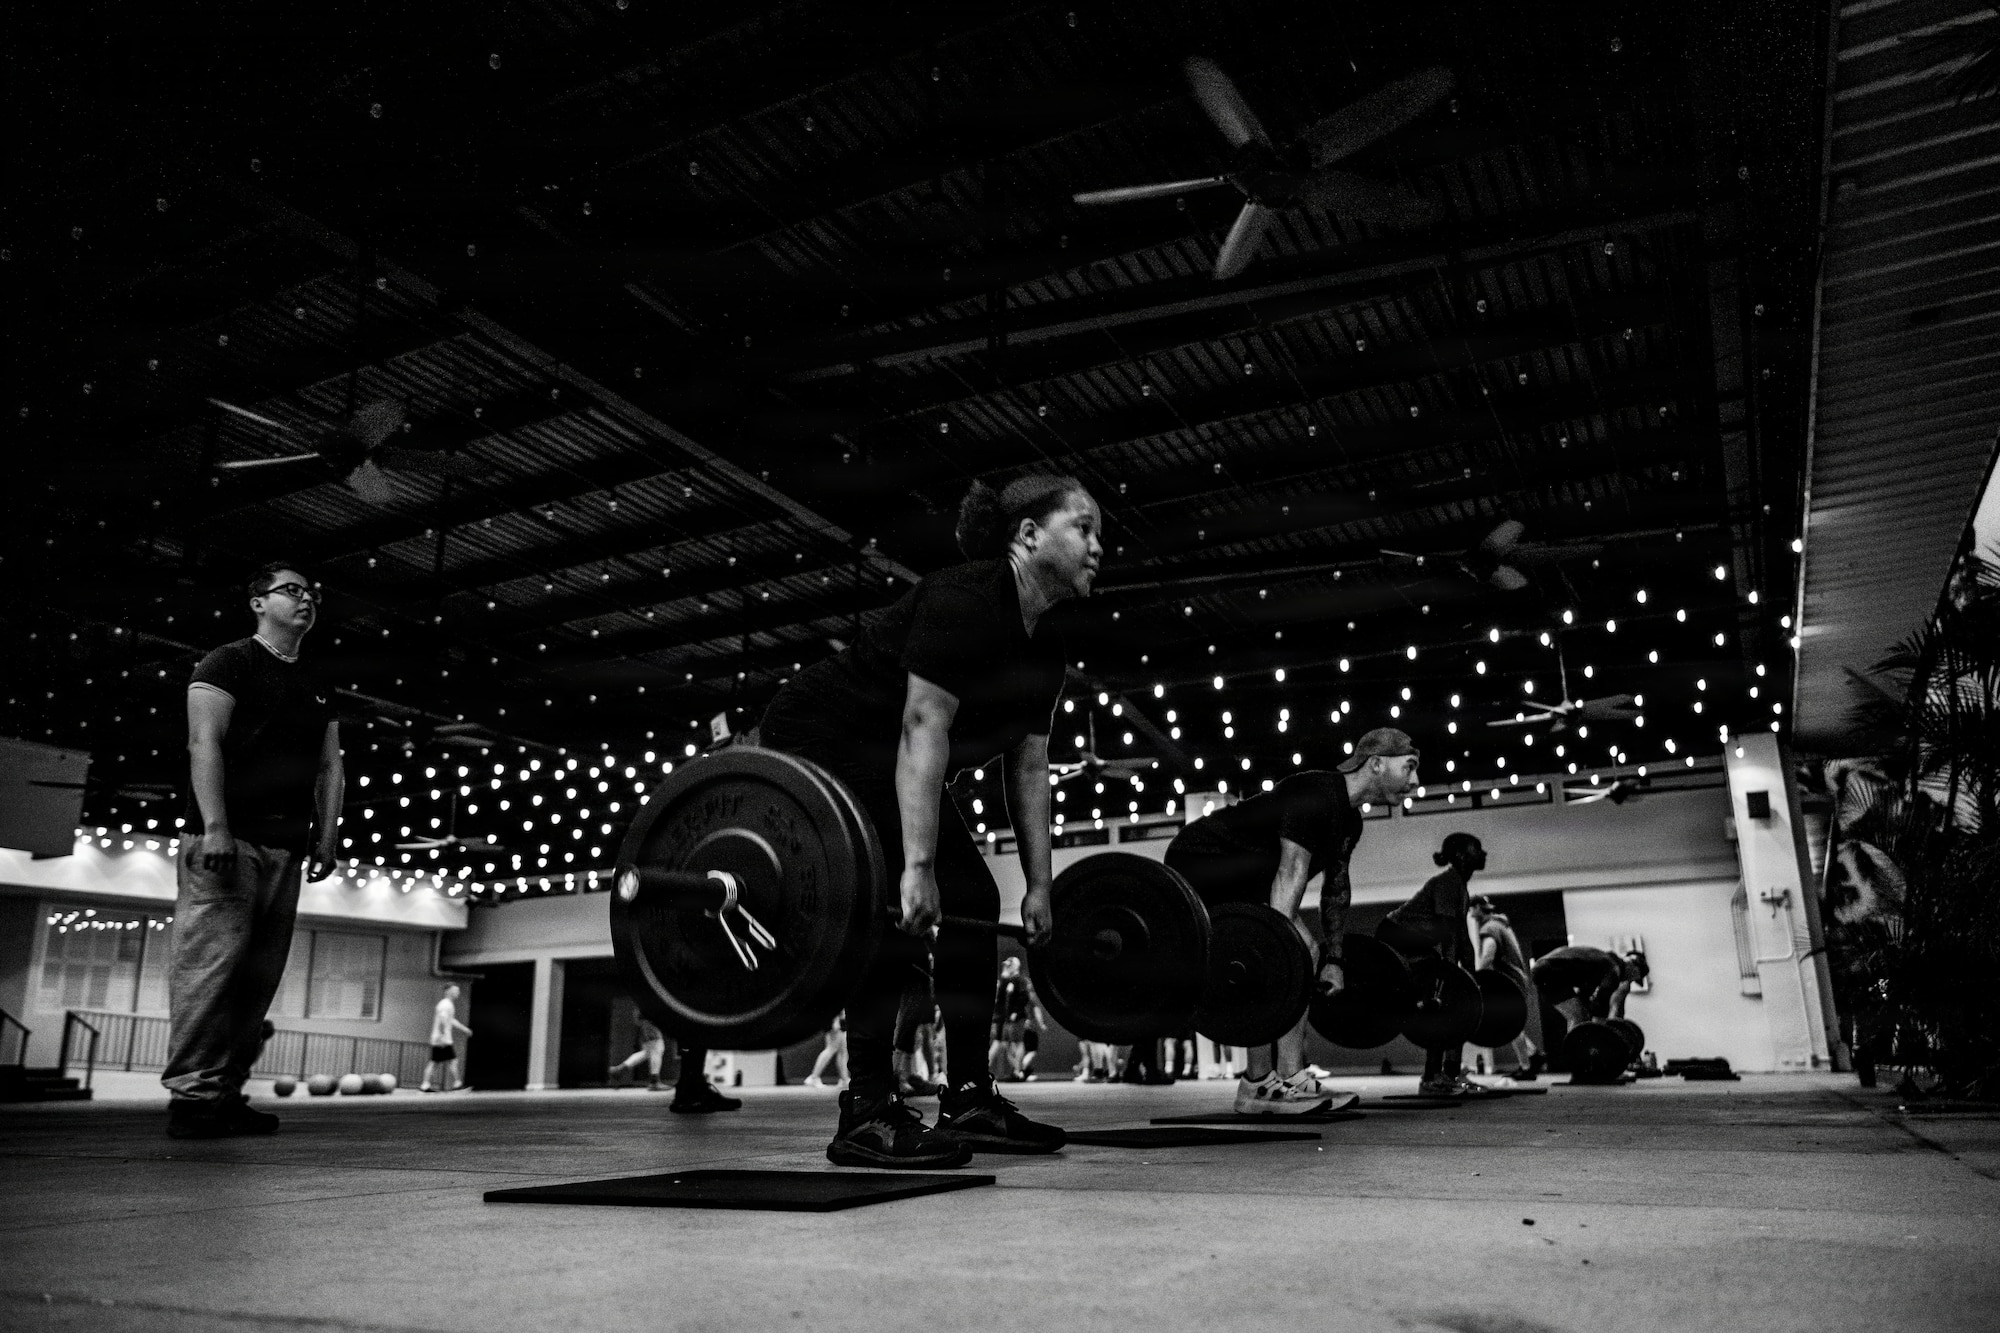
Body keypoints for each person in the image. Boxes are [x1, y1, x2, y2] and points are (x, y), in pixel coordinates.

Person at [760, 473, 1097, 1167]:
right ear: (1029, 535)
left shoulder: (1046, 648)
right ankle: (865, 1109)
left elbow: (1028, 769)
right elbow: (922, 724)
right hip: (828, 733)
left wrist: (1040, 885)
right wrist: (915, 866)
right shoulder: (964, 600)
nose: (1098, 547)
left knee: (972, 897)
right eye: (1084, 528)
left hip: (898, 757)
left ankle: (969, 1097)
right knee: (892, 900)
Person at [163, 563, 343, 1139]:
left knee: (256, 978)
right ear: (258, 602)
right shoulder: (228, 662)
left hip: (285, 848)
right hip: (226, 842)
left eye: (311, 593)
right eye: (291, 590)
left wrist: (327, 836)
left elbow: (330, 767)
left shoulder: (317, 681)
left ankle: (225, 1094)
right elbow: (204, 742)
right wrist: (215, 825)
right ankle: (193, 1099)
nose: (305, 599)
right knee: (209, 971)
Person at [1164, 728, 1421, 1114]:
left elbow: (1336, 889)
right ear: (1376, 764)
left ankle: (1291, 1077)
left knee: (1306, 953)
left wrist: (1334, 959)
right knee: (1272, 957)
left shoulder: (1350, 821)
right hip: (1203, 861)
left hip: (1252, 877)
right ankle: (1257, 1086)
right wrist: (1274, 947)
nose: (1415, 781)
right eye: (1409, 767)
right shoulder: (1315, 794)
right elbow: (1292, 870)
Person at [1380, 832, 1487, 1097]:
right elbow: (1449, 937)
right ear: (1461, 856)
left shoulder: (1460, 886)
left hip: (1419, 945)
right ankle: (1431, 1079)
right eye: (1477, 849)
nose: (1484, 853)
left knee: (1456, 999)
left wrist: (1471, 982)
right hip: (1395, 938)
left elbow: (1463, 938)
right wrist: (1453, 981)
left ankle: (1450, 1075)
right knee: (1442, 1001)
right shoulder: (1448, 883)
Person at [1469, 895, 1544, 1080]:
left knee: (1510, 1023)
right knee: (1509, 1022)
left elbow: (1488, 955)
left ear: (1477, 907)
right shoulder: (1500, 925)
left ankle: (1527, 1066)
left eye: (1470, 909)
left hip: (1509, 981)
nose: (1469, 913)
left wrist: (1477, 978)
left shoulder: (1489, 928)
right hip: (1516, 978)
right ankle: (1533, 1055)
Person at [1532, 945, 1649, 1029]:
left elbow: (1585, 997)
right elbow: (1600, 1011)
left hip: (1542, 967)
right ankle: (1575, 1054)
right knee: (1578, 1016)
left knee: (1580, 1014)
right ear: (1633, 968)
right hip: (1550, 971)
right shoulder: (1614, 970)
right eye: (1634, 977)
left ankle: (1575, 1050)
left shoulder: (1603, 960)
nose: (1629, 981)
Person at [988, 956, 1045, 1082]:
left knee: (1016, 1043)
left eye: (1009, 965)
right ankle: (1019, 1070)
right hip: (1007, 1019)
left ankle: (1018, 1071)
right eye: (1006, 965)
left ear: (1015, 966)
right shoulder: (1008, 981)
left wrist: (1016, 1012)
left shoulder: (1021, 980)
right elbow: (1002, 998)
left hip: (1017, 1018)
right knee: (1007, 1044)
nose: (1007, 967)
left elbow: (1026, 998)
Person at [424, 984, 474, 1092]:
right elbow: (443, 1019)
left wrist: (464, 1029)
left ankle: (426, 1085)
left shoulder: (447, 1004)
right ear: (448, 991)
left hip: (441, 1038)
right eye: (455, 990)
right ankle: (457, 1084)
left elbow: (450, 1020)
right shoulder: (445, 1004)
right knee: (449, 1061)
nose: (458, 993)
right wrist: (442, 1036)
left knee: (438, 1062)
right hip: (442, 1039)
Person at [609, 1014, 667, 1091]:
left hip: (645, 1020)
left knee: (648, 1052)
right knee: (656, 1047)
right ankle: (654, 1082)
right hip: (649, 1020)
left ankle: (620, 1069)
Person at [804, 1014, 848, 1088]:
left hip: (840, 1022)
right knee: (831, 1048)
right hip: (835, 1021)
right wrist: (836, 1020)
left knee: (842, 1051)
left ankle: (844, 1079)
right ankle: (814, 1077)